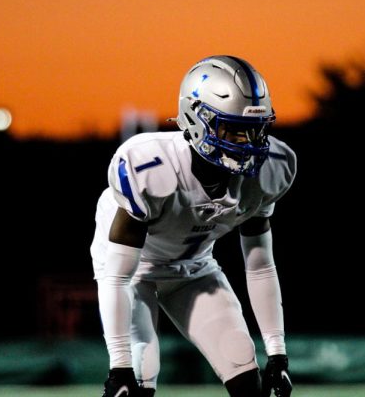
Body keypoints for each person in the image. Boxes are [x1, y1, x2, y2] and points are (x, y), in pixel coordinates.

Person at [91, 55, 297, 397]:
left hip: (194, 268)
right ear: (195, 118)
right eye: (233, 128)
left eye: (255, 130)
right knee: (140, 372)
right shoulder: (150, 166)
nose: (247, 143)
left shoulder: (271, 170)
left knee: (241, 362)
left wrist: (277, 353)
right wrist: (119, 365)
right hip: (135, 271)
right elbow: (117, 276)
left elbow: (260, 265)